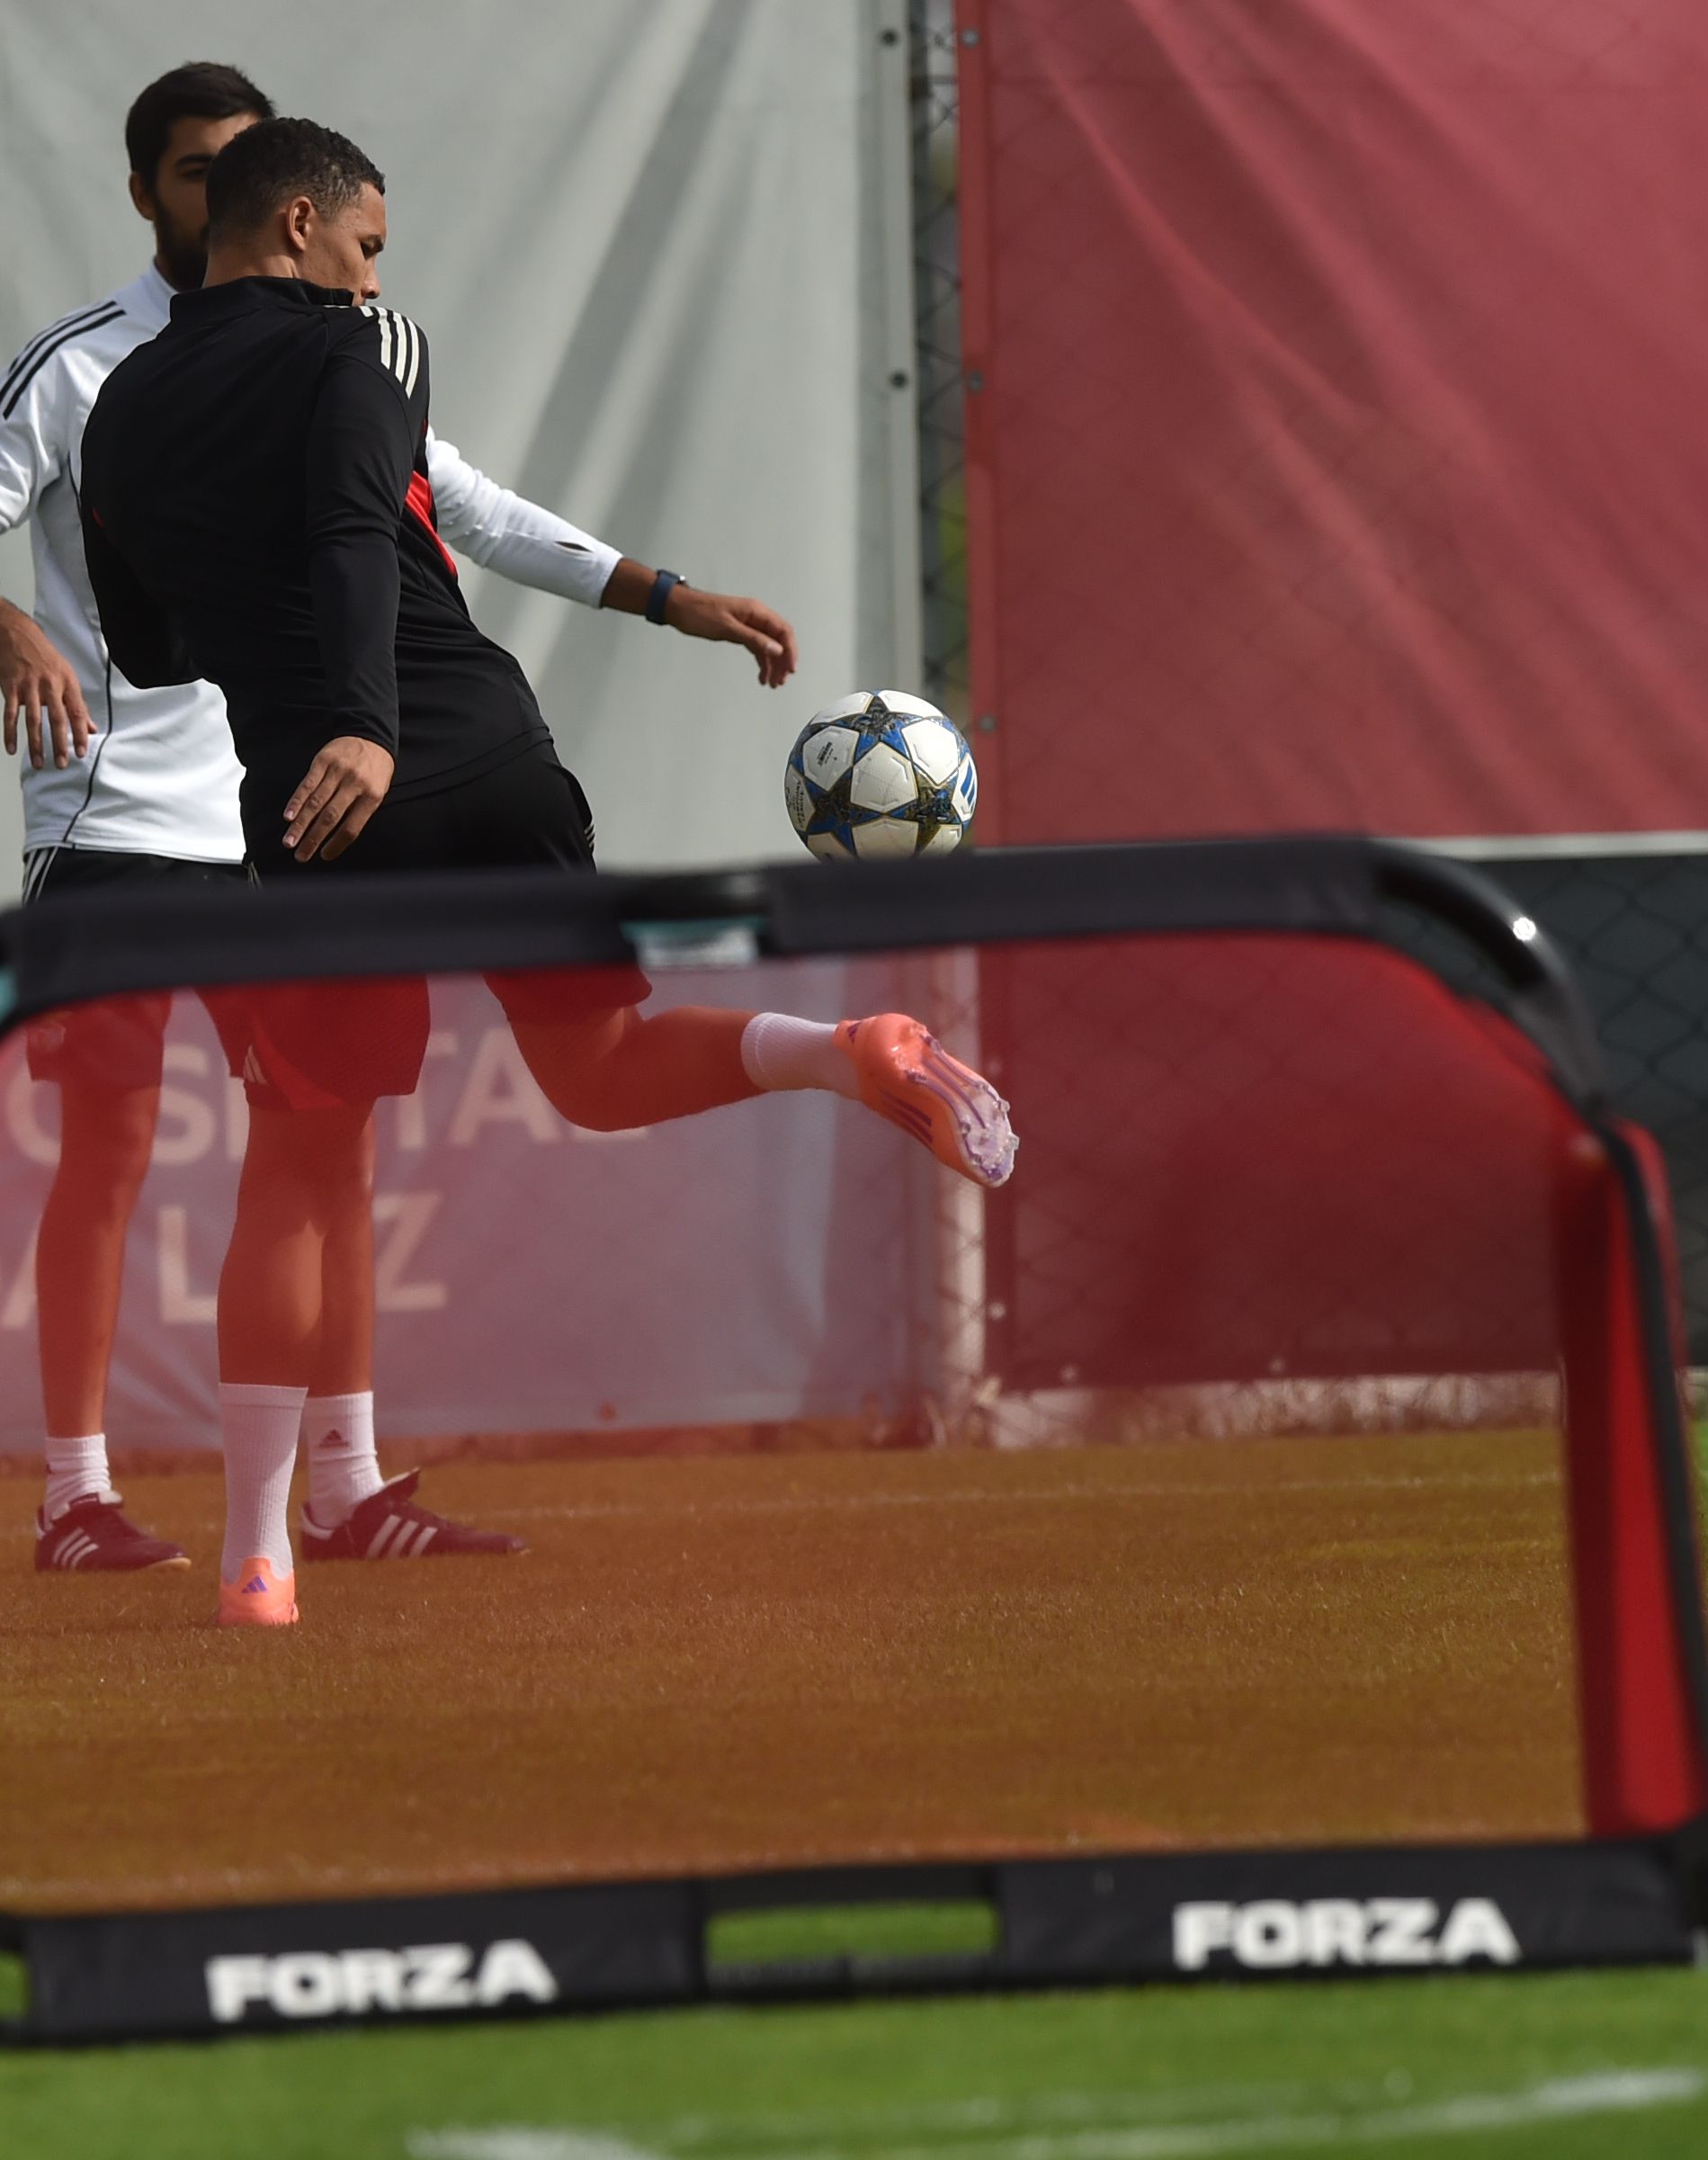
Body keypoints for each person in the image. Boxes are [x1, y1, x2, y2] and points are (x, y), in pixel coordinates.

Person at [81, 115, 1016, 1627]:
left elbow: (149, 647)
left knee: (303, 1164)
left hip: (318, 805)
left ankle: (260, 1556)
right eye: (369, 241)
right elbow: (352, 527)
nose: (377, 271)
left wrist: (323, 700)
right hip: (470, 756)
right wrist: (374, 719)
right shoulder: (365, 342)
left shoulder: (120, 407)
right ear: (307, 224)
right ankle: (842, 1056)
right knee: (597, 1068)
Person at [0, 63, 801, 1577]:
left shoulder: (338, 354)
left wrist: (658, 590)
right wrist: (10, 626)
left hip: (289, 807)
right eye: (190, 170)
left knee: (326, 1149)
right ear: (152, 196)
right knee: (108, 1146)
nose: (215, 191)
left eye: (237, 167)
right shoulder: (82, 371)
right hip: (116, 811)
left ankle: (346, 1487)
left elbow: (466, 507)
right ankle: (73, 1494)